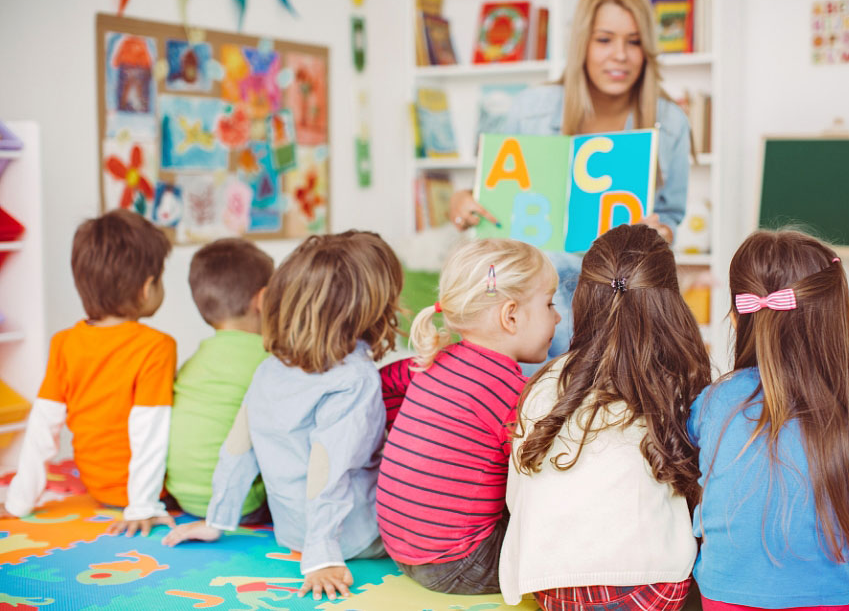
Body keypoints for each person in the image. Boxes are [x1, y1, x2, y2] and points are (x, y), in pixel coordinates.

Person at [688, 229, 849, 610]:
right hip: (832, 602)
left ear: (736, 319)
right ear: (835, 323)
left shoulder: (710, 402)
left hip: (723, 601)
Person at [162, 231, 404, 602]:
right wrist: (321, 554)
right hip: (348, 537)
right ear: (371, 308)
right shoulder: (355, 378)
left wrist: (218, 518)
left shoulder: (271, 367)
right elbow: (329, 466)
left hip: (290, 530)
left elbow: (239, 445)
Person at [450, 0, 690, 366]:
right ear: (582, 44)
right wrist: (464, 201)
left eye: (634, 41)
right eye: (604, 39)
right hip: (526, 315)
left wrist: (659, 235)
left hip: (618, 313)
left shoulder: (671, 122)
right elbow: (492, 195)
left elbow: (671, 215)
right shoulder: (530, 110)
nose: (620, 55)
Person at [499, 224, 710, 610]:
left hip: (556, 589)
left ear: (582, 298)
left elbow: (519, 497)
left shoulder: (545, 382)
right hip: (652, 588)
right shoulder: (677, 381)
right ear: (670, 303)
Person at [376, 238, 560, 595]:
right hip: (459, 564)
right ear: (510, 316)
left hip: (399, 547)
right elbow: (542, 475)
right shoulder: (510, 392)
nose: (558, 316)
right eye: (550, 304)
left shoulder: (428, 362)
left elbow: (381, 386)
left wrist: (423, 436)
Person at [3, 209, 176, 537]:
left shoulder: (64, 344)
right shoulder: (156, 346)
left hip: (96, 486)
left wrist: (19, 500)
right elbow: (149, 430)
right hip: (145, 493)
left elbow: (43, 426)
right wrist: (141, 505)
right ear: (147, 288)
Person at [164, 238, 274, 522]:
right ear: (262, 300)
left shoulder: (195, 361)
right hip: (242, 504)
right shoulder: (269, 359)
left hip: (183, 495)